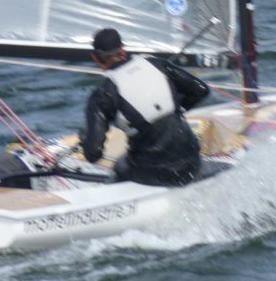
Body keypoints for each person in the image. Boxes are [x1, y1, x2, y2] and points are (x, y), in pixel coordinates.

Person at [80, 28, 209, 187]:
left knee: (120, 164)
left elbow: (93, 153)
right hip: (191, 163)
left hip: (154, 172)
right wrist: (176, 110)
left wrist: (85, 140)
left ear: (95, 58)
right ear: (123, 49)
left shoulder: (102, 94)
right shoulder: (158, 64)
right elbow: (201, 90)